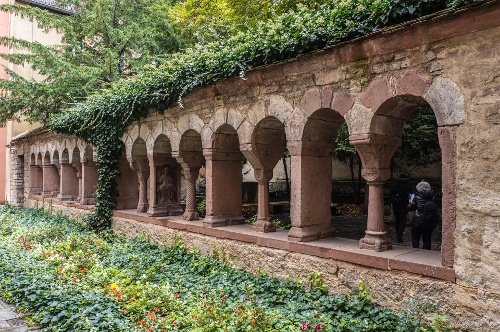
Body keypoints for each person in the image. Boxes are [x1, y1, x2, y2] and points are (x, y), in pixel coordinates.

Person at [408, 180, 439, 250]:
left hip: (418, 222)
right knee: (427, 239)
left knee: (415, 238)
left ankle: (415, 251)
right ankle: (427, 252)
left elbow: (410, 208)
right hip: (429, 221)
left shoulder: (416, 198)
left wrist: (410, 202)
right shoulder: (433, 198)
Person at [390, 174, 411, 243]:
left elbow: (391, 194)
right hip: (404, 206)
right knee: (402, 221)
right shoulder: (408, 186)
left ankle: (398, 234)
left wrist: (392, 202)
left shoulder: (394, 185)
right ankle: (399, 236)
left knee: (397, 221)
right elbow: (411, 195)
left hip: (396, 205)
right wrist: (411, 203)